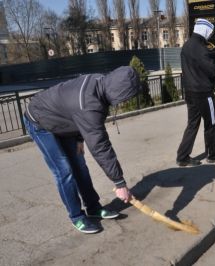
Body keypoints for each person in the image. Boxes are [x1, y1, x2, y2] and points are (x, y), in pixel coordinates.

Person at [24, 66, 140, 233]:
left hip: (63, 121)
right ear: (118, 90)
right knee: (64, 171)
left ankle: (93, 208)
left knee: (80, 165)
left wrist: (79, 138)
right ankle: (76, 216)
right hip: (40, 122)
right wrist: (119, 183)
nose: (125, 101)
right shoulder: (90, 104)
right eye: (125, 97)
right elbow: (100, 145)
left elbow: (76, 114)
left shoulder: (100, 84)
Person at [176, 18, 215, 166]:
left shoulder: (187, 45)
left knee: (192, 124)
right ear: (205, 31)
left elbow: (199, 60)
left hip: (190, 92)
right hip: (204, 93)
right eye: (209, 32)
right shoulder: (201, 49)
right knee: (211, 123)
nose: (209, 35)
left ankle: (182, 157)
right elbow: (213, 71)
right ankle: (212, 155)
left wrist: (214, 55)